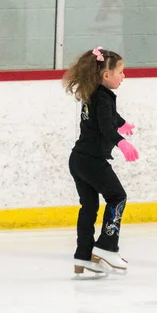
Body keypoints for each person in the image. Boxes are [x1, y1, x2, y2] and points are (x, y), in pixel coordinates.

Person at [63, 46, 139, 276]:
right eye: (120, 72)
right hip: (93, 161)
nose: (123, 77)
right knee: (117, 197)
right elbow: (106, 126)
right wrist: (121, 142)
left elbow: (106, 118)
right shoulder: (104, 97)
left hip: (79, 159)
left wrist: (122, 122)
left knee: (89, 207)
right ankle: (107, 246)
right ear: (106, 75)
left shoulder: (93, 94)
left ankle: (83, 256)